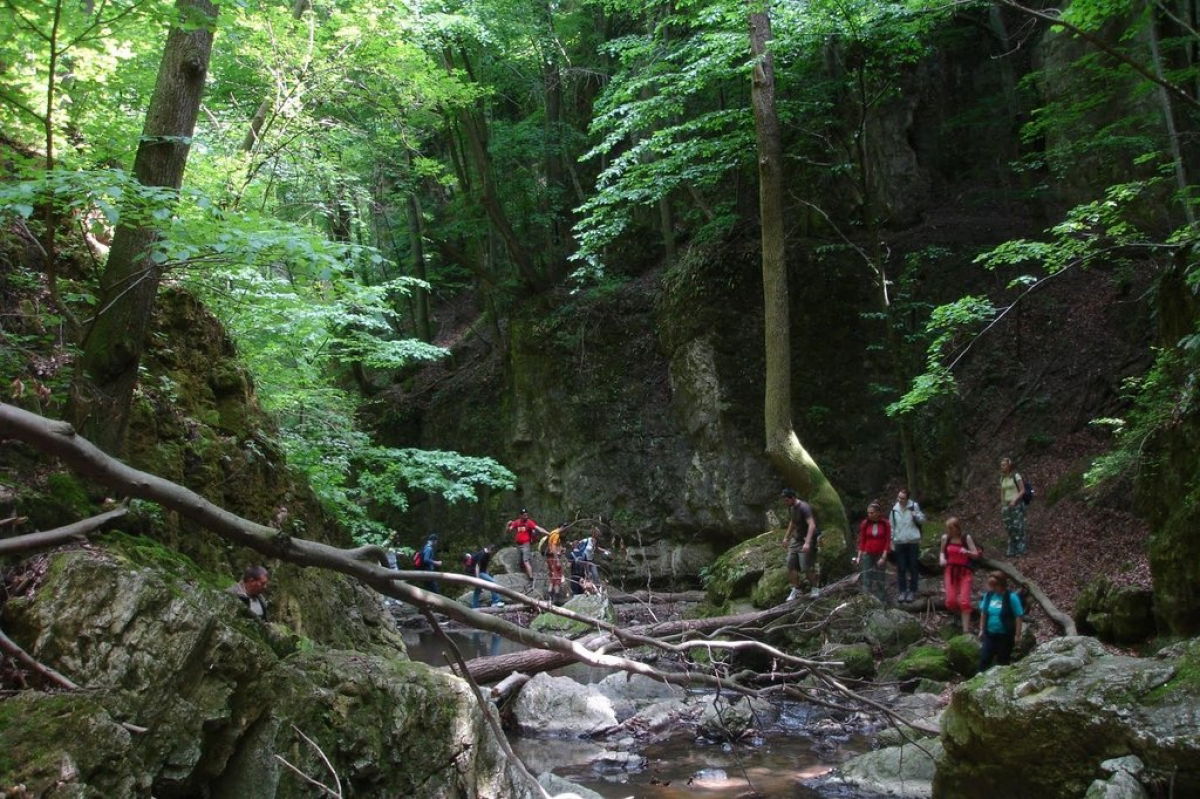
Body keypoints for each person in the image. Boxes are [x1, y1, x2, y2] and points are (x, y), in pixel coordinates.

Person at [939, 517, 981, 633]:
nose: (950, 531)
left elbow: (976, 554)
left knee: (964, 601)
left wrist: (967, 552)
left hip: (965, 572)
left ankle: (966, 630)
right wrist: (942, 559)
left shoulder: (966, 538)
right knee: (951, 601)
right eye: (948, 529)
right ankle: (959, 615)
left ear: (957, 528)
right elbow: (942, 552)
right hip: (950, 571)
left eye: (952, 528)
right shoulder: (945, 538)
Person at [977, 571, 1025, 671]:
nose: (993, 588)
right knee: (984, 660)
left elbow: (1018, 616)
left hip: (1005, 636)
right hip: (990, 634)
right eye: (991, 586)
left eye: (995, 586)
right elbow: (984, 613)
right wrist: (981, 629)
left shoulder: (1011, 597)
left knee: (1003, 661)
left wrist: (1017, 635)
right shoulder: (989, 595)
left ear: (1002, 584)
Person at [780, 488, 820, 600]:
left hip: (806, 539)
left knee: (806, 567)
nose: (785, 503)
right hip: (796, 540)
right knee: (790, 564)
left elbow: (812, 525)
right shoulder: (791, 507)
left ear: (793, 498)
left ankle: (815, 588)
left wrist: (807, 543)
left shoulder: (804, 507)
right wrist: (786, 538)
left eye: (786, 500)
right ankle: (796, 589)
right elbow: (792, 522)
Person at [890, 489, 926, 603]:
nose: (900, 500)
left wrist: (916, 515)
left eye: (902, 498)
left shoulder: (914, 506)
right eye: (899, 497)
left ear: (907, 499)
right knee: (901, 568)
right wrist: (891, 541)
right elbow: (891, 526)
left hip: (912, 541)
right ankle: (902, 591)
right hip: (899, 542)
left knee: (913, 567)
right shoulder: (894, 509)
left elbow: (922, 520)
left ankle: (912, 591)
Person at [856, 501, 891, 603]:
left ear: (878, 513)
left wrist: (884, 556)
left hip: (880, 553)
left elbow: (888, 540)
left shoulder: (885, 524)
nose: (869, 515)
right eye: (868, 513)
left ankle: (881, 600)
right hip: (867, 553)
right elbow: (862, 540)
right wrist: (859, 556)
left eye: (872, 513)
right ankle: (866, 600)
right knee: (866, 577)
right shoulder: (865, 523)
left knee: (880, 577)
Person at [506, 508, 548, 583]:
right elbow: (509, 530)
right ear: (520, 515)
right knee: (520, 561)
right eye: (524, 515)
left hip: (526, 544)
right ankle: (523, 576)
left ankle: (531, 578)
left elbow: (538, 529)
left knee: (526, 561)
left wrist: (548, 533)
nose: (526, 516)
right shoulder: (517, 522)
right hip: (518, 545)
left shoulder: (529, 522)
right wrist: (507, 525)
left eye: (526, 515)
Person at [1000, 457, 1029, 556]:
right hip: (1006, 505)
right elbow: (1002, 492)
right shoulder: (1003, 478)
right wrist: (1003, 504)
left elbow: (1022, 490)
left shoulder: (1016, 476)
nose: (1002, 466)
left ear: (1009, 465)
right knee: (1009, 527)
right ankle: (1012, 549)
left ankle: (1021, 549)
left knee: (1018, 526)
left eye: (1004, 465)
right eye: (1001, 465)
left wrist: (1015, 499)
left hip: (1016, 504)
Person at [467, 544, 503, 609]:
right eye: (492, 552)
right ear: (490, 549)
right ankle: (496, 602)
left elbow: (485, 567)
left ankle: (474, 607)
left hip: (482, 572)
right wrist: (477, 579)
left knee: (478, 590)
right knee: (493, 582)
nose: (492, 553)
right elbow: (477, 566)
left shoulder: (487, 554)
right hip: (477, 573)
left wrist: (487, 575)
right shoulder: (482, 554)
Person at [541, 522, 568, 603]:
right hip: (553, 558)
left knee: (553, 576)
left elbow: (554, 546)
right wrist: (557, 560)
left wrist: (561, 549)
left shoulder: (553, 533)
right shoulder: (556, 534)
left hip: (550, 557)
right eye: (565, 528)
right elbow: (553, 547)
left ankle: (550, 596)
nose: (566, 530)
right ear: (562, 527)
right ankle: (555, 597)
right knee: (557, 577)